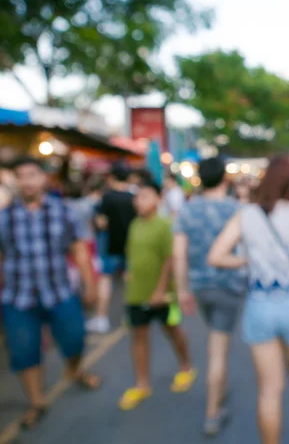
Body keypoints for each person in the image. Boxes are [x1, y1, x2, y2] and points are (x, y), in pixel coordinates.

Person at [208, 155, 289, 444]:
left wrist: (247, 260)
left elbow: (216, 256)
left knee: (269, 390)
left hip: (259, 305)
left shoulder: (245, 215)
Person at [0, 157, 101, 429]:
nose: (27, 181)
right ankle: (36, 401)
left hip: (59, 292)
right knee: (24, 352)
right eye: (20, 176)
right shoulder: (5, 216)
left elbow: (79, 250)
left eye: (32, 174)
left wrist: (89, 284)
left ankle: (74, 369)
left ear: (43, 178)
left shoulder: (63, 211)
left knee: (75, 339)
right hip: (18, 298)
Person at [173, 157, 246, 436]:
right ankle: (213, 413)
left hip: (200, 286)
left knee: (215, 343)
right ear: (225, 178)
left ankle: (218, 394)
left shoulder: (187, 211)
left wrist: (182, 290)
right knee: (219, 349)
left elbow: (179, 254)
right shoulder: (236, 209)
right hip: (228, 286)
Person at [118, 180, 195, 410]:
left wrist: (161, 290)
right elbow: (131, 253)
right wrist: (129, 274)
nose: (139, 201)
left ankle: (186, 366)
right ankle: (142, 383)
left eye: (145, 196)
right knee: (139, 336)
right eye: (137, 197)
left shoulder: (164, 226)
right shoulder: (134, 225)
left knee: (172, 330)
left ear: (158, 199)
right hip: (137, 294)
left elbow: (169, 259)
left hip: (164, 296)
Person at [87, 165, 137, 334]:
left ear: (112, 177)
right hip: (130, 245)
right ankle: (129, 316)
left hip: (109, 245)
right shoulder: (133, 197)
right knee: (128, 280)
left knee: (106, 279)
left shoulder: (107, 198)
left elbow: (101, 222)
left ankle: (101, 318)